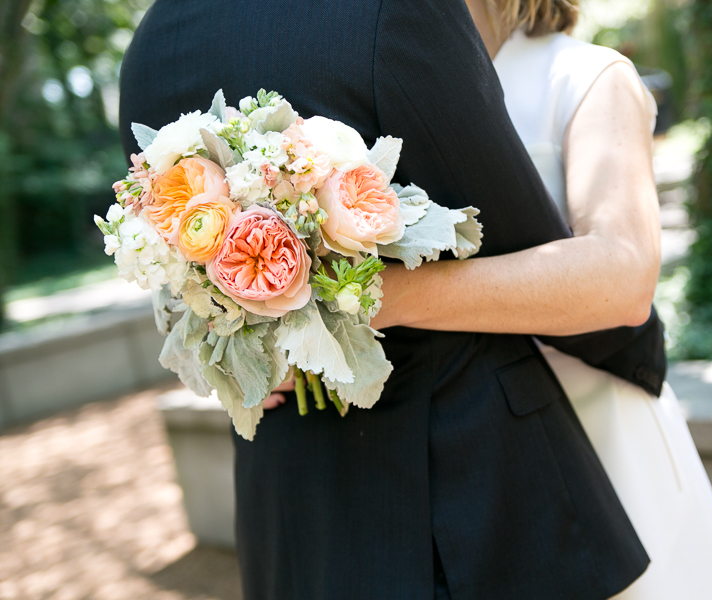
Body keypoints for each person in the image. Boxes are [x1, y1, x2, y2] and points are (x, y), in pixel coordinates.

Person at [119, 0, 667, 597]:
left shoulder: (152, 43)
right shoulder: (392, 14)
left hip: (308, 505)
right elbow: (165, 257)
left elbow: (166, 262)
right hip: (440, 490)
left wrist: (283, 314)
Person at [421, 0, 712, 598]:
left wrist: (380, 299)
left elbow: (623, 279)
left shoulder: (585, 76)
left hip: (603, 441)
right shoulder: (389, 90)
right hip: (465, 472)